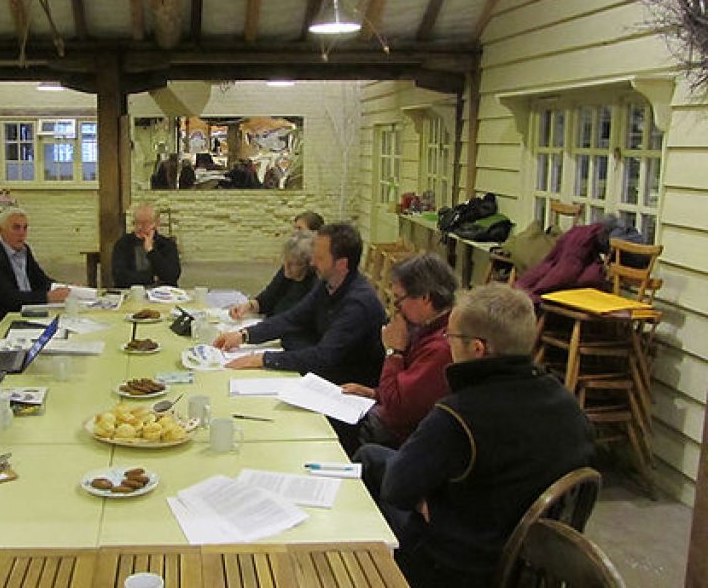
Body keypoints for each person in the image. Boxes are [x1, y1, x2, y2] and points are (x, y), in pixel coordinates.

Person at [361, 283, 594, 587]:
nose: (447, 343)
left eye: (451, 337)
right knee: (375, 458)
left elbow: (396, 489)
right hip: (534, 563)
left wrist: (428, 502)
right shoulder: (569, 406)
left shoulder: (458, 415)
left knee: (371, 465)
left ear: (477, 348)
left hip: (460, 564)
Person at [214, 224, 387, 450]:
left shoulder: (358, 303)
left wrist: (263, 359)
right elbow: (293, 317)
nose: (313, 262)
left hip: (344, 393)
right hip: (322, 378)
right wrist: (244, 335)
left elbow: (324, 356)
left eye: (320, 257)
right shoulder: (328, 284)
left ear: (342, 264)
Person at [340, 253, 456, 449]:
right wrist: (373, 394)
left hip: (404, 438)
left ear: (425, 298)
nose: (396, 310)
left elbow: (397, 410)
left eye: (398, 300)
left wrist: (394, 352)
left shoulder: (441, 348)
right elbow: (412, 393)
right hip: (393, 420)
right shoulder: (427, 328)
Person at [0, 207, 69, 339]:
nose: (22, 233)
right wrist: (48, 297)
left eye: (25, 228)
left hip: (25, 313)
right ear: (1, 230)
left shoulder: (24, 250)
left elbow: (41, 280)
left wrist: (64, 289)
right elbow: (10, 298)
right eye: (16, 228)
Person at [229, 230, 315, 321]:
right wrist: (248, 306)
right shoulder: (286, 272)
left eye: (292, 264)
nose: (286, 267)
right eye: (285, 261)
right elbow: (266, 299)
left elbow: (296, 319)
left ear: (308, 264)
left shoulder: (314, 284)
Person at [111, 204, 181, 288]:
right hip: (132, 293)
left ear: (156, 223)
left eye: (145, 223)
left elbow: (171, 276)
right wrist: (152, 278)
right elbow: (120, 277)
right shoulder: (123, 244)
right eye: (136, 223)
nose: (139, 227)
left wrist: (151, 251)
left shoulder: (167, 244)